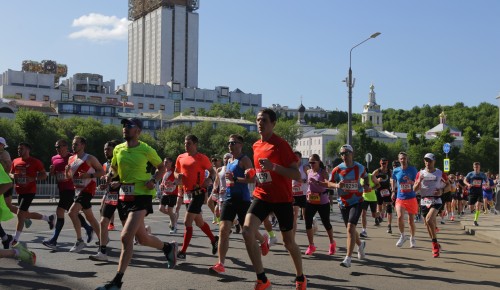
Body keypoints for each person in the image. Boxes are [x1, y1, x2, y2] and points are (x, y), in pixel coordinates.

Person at [96, 118, 177, 290]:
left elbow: (161, 168)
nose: (125, 128)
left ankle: (116, 282)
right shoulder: (118, 149)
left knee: (126, 237)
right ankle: (168, 247)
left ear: (138, 131)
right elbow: (115, 169)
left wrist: (153, 180)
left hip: (142, 196)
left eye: (129, 126)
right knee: (142, 238)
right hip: (125, 196)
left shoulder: (145, 149)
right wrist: (109, 177)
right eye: (124, 126)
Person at [242, 109, 306, 290]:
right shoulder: (255, 146)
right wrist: (252, 173)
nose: (259, 123)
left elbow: (295, 174)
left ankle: (300, 277)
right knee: (247, 232)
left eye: (264, 120)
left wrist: (274, 167)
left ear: (273, 123)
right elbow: (262, 173)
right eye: (257, 120)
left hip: (282, 199)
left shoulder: (281, 145)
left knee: (289, 242)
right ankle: (262, 279)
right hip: (261, 196)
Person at [209, 135, 264, 275]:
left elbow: (253, 179)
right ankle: (220, 264)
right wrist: (221, 187)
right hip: (228, 198)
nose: (230, 145)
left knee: (248, 230)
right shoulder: (229, 161)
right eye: (229, 143)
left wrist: (236, 179)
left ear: (241, 145)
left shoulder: (244, 159)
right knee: (223, 229)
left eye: (233, 143)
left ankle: (263, 240)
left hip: (243, 200)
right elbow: (228, 180)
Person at [43, 139, 93, 250]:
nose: (58, 149)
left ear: (66, 147)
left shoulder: (72, 157)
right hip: (61, 189)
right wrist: (51, 171)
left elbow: (78, 170)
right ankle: (88, 228)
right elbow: (54, 174)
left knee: (59, 211)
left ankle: (54, 240)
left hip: (70, 189)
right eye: (56, 147)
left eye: (59, 146)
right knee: (73, 212)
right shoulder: (54, 158)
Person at [174, 134, 218, 261]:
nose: (186, 145)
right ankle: (214, 239)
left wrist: (209, 179)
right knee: (199, 222)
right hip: (187, 194)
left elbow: (213, 172)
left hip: (198, 193)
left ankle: (183, 252)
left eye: (188, 143)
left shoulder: (202, 158)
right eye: (185, 143)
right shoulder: (180, 157)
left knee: (187, 222)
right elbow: (176, 171)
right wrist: (178, 176)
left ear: (195, 144)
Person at [325, 145, 368, 268]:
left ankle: (348, 258)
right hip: (343, 203)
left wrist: (366, 185)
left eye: (346, 153)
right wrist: (337, 185)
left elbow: (365, 177)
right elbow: (329, 182)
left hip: (357, 201)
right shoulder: (337, 169)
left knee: (350, 228)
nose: (344, 155)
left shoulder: (359, 167)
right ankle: (360, 245)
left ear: (352, 153)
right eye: (342, 154)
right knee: (351, 230)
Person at [90, 140, 128, 262]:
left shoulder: (122, 160)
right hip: (111, 194)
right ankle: (102, 251)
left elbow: (130, 176)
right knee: (103, 221)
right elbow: (109, 178)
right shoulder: (106, 164)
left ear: (115, 149)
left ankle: (142, 233)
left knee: (125, 223)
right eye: (105, 149)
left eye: (109, 149)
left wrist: (120, 183)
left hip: (123, 194)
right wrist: (105, 185)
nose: (106, 151)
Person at [9, 142, 53, 245]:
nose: (19, 150)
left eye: (22, 149)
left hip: (30, 191)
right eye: (18, 149)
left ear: (28, 150)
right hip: (20, 190)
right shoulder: (15, 160)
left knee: (20, 214)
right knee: (25, 215)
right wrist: (12, 176)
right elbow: (10, 173)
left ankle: (15, 239)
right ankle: (48, 218)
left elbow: (44, 175)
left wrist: (33, 178)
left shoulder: (35, 162)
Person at [66, 136, 103, 253]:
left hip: (88, 189)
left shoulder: (90, 158)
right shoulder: (71, 159)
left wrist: (90, 176)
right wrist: (67, 171)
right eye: (73, 144)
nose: (73, 146)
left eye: (76, 144)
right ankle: (103, 241)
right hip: (78, 190)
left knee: (72, 212)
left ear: (83, 145)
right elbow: (69, 177)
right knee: (90, 217)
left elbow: (102, 171)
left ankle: (79, 241)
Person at [412, 153, 450, 258]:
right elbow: (414, 189)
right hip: (424, 201)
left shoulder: (440, 173)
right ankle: (436, 243)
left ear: (434, 161)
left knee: (429, 220)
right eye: (426, 160)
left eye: (429, 160)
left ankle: (434, 246)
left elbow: (449, 186)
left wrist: (442, 190)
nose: (427, 163)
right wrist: (418, 182)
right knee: (427, 224)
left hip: (436, 200)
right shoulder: (420, 173)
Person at [303, 154, 336, 256]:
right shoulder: (308, 171)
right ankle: (311, 245)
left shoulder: (323, 172)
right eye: (310, 162)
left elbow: (327, 184)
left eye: (313, 162)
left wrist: (317, 182)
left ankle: (332, 243)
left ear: (318, 162)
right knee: (307, 222)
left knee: (326, 223)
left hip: (322, 201)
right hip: (311, 201)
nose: (311, 164)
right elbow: (304, 180)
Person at [391, 152, 418, 248]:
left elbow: (417, 182)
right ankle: (402, 236)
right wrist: (393, 191)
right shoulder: (396, 170)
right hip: (400, 198)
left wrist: (411, 182)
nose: (403, 160)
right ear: (399, 160)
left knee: (411, 221)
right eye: (401, 158)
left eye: (404, 158)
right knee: (399, 217)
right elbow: (393, 180)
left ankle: (412, 238)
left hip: (411, 197)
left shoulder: (413, 169)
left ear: (407, 159)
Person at [158, 157, 179, 234]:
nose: (165, 163)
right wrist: (161, 185)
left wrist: (173, 183)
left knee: (170, 210)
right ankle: (174, 216)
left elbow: (178, 180)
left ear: (171, 163)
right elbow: (163, 181)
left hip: (173, 193)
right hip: (165, 193)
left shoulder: (174, 171)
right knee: (161, 208)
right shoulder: (163, 171)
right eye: (164, 162)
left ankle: (174, 226)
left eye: (167, 162)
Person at [373, 157, 394, 234]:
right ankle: (377, 218)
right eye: (382, 163)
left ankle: (389, 226)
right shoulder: (377, 171)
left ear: (387, 163)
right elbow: (371, 177)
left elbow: (393, 179)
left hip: (387, 191)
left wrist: (393, 189)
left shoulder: (390, 171)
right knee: (379, 209)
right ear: (380, 163)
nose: (384, 165)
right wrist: (376, 180)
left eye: (385, 163)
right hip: (379, 191)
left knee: (389, 208)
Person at [464, 162, 488, 226]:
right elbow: (464, 180)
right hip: (472, 191)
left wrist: (486, 184)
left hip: (479, 191)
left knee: (478, 205)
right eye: (475, 167)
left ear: (479, 167)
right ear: (473, 167)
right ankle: (473, 209)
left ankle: (475, 220)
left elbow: (487, 181)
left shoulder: (482, 174)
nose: (476, 168)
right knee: (471, 207)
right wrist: (468, 184)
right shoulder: (470, 174)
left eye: (477, 167)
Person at [292, 151, 310, 235]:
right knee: (294, 216)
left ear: (300, 158)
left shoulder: (304, 168)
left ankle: (313, 223)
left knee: (305, 215)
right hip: (294, 194)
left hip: (303, 194)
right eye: (293, 157)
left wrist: (302, 180)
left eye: (297, 157)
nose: (295, 159)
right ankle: (292, 238)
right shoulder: (291, 168)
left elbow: (310, 178)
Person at [359, 172, 381, 238]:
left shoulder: (371, 176)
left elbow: (378, 185)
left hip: (372, 198)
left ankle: (379, 216)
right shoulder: (360, 178)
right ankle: (364, 230)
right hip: (364, 198)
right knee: (363, 214)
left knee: (374, 215)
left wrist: (371, 189)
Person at [208, 156, 222, 224]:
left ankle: (234, 221)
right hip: (215, 189)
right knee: (209, 202)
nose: (214, 162)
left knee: (219, 207)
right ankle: (217, 216)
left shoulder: (222, 169)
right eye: (212, 160)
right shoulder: (212, 170)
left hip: (222, 189)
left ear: (220, 161)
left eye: (215, 160)